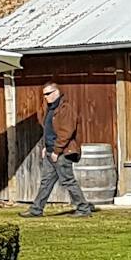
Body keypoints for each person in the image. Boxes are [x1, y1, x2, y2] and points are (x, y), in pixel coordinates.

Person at [25, 81, 93, 218]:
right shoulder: (50, 109)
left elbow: (66, 132)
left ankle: (83, 209)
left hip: (62, 152)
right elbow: (49, 131)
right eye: (44, 94)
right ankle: (36, 209)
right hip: (51, 151)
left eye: (48, 94)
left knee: (68, 181)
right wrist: (46, 147)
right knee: (46, 182)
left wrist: (56, 151)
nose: (45, 97)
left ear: (56, 92)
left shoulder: (65, 109)